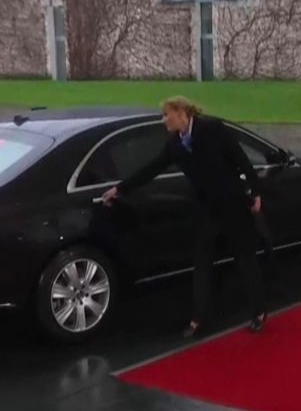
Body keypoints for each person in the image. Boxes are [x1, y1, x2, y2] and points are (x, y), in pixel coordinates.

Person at [101, 96, 268, 338]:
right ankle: (198, 320)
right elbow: (152, 168)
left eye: (166, 114)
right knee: (201, 263)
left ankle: (259, 311)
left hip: (232, 203)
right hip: (205, 208)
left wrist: (255, 191)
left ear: (181, 113)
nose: (163, 120)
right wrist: (120, 189)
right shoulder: (175, 145)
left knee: (244, 258)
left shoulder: (212, 129)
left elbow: (241, 159)